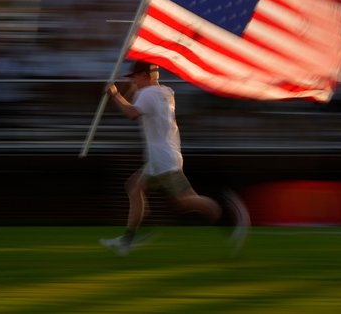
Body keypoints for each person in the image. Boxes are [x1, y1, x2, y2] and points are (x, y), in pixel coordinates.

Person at [99, 60, 249, 256]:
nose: (133, 81)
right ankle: (130, 238)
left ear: (144, 76)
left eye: (135, 77)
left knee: (186, 200)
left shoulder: (147, 94)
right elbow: (137, 103)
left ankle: (230, 214)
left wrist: (114, 93)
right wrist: (127, 90)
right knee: (135, 188)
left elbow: (131, 112)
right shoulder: (165, 92)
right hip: (164, 156)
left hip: (162, 160)